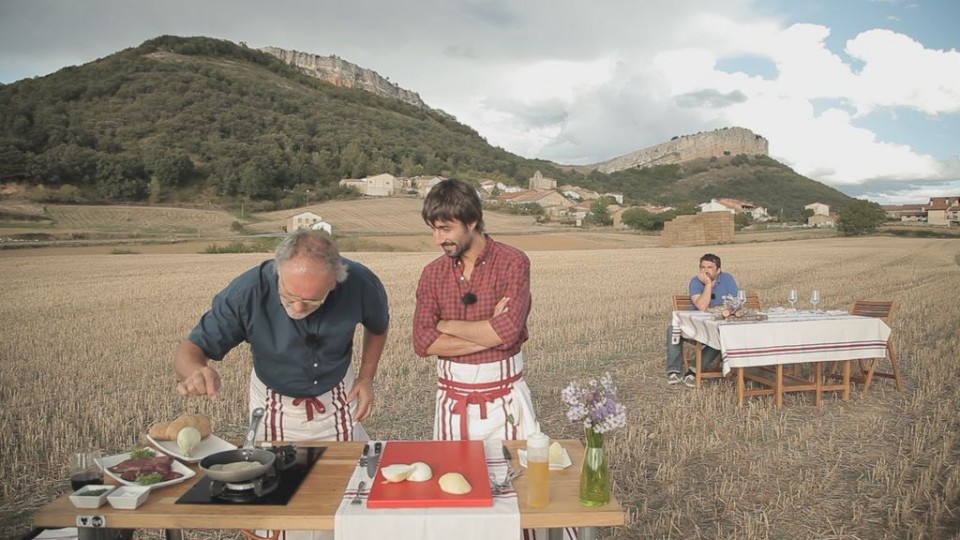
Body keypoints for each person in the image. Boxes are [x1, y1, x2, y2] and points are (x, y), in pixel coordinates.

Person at [175, 229, 389, 442]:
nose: (297, 307)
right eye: (288, 294)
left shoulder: (361, 283)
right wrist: (195, 371)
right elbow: (191, 349)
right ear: (278, 269)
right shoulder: (247, 292)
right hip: (272, 401)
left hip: (338, 393)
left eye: (312, 301)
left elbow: (378, 327)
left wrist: (366, 377)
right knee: (274, 469)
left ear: (334, 283)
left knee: (348, 467)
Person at [413, 178, 538, 442]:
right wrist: (489, 330)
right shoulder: (432, 273)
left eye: (446, 229)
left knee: (512, 478)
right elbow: (422, 342)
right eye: (433, 230)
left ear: (472, 222)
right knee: (452, 478)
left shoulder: (513, 262)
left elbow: (507, 333)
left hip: (506, 400)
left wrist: (445, 325)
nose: (438, 239)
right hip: (452, 403)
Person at [667, 253, 739, 387]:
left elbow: (734, 304)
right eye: (702, 267)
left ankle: (694, 371)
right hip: (695, 324)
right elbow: (701, 306)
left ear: (718, 270)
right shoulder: (695, 281)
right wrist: (707, 284)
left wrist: (717, 307)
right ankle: (674, 371)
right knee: (672, 330)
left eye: (710, 267)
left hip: (717, 323)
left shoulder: (728, 279)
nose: (705, 271)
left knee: (722, 334)